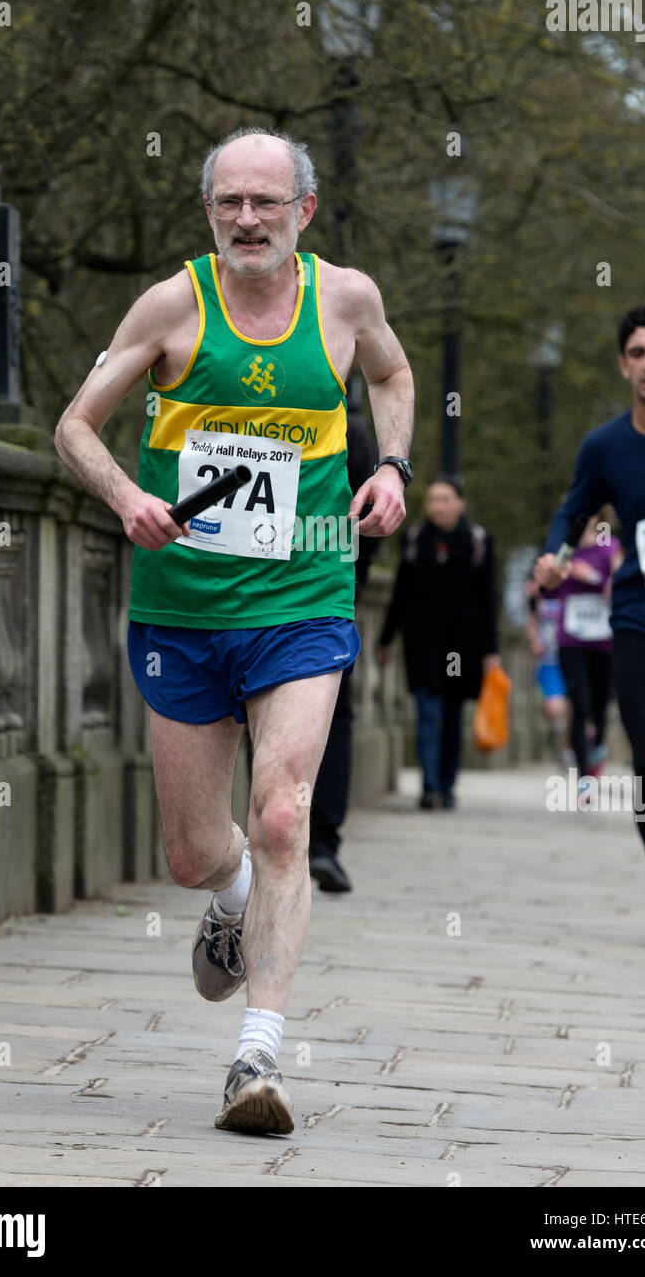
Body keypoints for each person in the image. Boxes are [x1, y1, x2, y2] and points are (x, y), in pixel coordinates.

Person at [54, 127, 414, 1134]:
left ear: (304, 210)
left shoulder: (346, 299)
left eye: (265, 203)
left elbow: (391, 376)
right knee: (188, 851)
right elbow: (74, 424)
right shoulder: (174, 306)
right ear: (208, 210)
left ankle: (257, 1053)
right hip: (184, 604)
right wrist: (127, 495)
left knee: (285, 811)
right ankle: (230, 895)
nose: (246, 221)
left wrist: (388, 467)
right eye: (228, 205)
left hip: (304, 590)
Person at [535, 305, 645, 951]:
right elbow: (572, 510)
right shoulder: (606, 445)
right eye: (635, 353)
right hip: (638, 623)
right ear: (622, 365)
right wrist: (554, 555)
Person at [376, 475, 500, 810]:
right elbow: (400, 593)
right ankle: (430, 786)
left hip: (462, 646)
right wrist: (385, 640)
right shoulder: (416, 539)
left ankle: (447, 784)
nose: (438, 507)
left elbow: (489, 599)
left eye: (445, 500)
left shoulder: (478, 541)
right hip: (422, 642)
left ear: (460, 503)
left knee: (452, 713)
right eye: (432, 500)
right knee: (427, 710)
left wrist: (491, 652)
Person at [308, 376, 380, 894]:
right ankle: (323, 843)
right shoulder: (356, 435)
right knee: (335, 715)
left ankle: (274, 835)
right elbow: (370, 528)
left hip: (256, 590)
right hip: (330, 592)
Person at [554, 511, 622, 781]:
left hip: (604, 638)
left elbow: (619, 583)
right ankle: (584, 775)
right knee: (579, 703)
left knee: (600, 704)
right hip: (571, 638)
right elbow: (547, 588)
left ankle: (599, 748)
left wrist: (592, 577)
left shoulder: (608, 545)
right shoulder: (563, 547)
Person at [524, 579, 570, 762]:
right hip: (549, 661)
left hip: (571, 658)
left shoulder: (570, 590)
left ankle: (568, 746)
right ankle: (559, 730)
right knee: (554, 708)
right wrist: (534, 639)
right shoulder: (538, 597)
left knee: (574, 707)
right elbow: (531, 622)